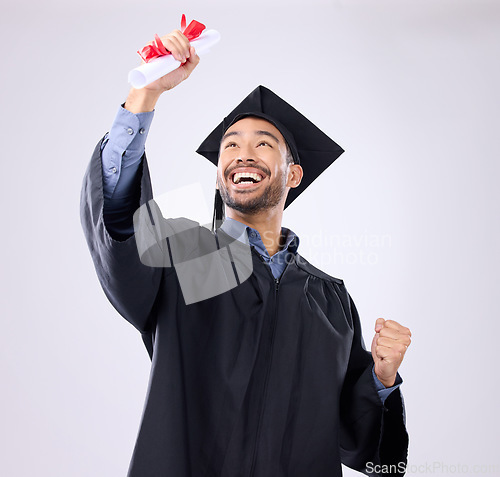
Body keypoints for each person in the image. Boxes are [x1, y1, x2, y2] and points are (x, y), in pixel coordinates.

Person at [81, 28, 412, 477]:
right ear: (220, 176)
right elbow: (120, 221)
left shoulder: (330, 301)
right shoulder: (187, 259)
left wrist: (383, 375)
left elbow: (368, 451)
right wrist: (145, 94)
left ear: (292, 175)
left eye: (262, 144)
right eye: (230, 145)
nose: (241, 153)